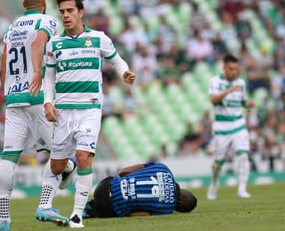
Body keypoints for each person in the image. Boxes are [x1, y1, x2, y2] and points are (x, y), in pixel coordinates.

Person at [34, 0, 136, 228]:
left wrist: (125, 73)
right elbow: (48, 78)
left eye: (70, 11)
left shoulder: (98, 39)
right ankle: (66, 169)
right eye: (62, 12)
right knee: (57, 166)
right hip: (63, 112)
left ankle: (77, 215)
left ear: (81, 12)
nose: (65, 15)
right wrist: (47, 102)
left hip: (89, 109)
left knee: (84, 157)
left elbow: (117, 61)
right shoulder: (54, 44)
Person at [0, 0, 76, 231]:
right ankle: (44, 204)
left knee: (9, 158)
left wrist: (8, 92)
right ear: (43, 3)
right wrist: (38, 74)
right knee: (59, 153)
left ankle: (3, 221)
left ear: (23, 4)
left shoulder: (11, 29)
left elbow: (2, 68)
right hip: (37, 95)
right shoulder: (47, 21)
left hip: (13, 99)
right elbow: (38, 42)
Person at [207, 54, 255, 200]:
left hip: (238, 124)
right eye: (231, 69)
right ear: (224, 67)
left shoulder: (241, 83)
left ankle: (242, 188)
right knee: (219, 161)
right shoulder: (215, 81)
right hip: (221, 127)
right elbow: (213, 100)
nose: (234, 72)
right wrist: (229, 90)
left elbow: (242, 101)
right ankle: (215, 182)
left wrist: (248, 104)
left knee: (243, 155)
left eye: (236, 69)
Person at [83, 162, 197, 218]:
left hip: (103, 186)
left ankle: (92, 205)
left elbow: (122, 172)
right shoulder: (166, 209)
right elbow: (139, 214)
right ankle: (92, 210)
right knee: (121, 207)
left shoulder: (164, 168)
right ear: (180, 204)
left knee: (117, 183)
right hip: (107, 208)